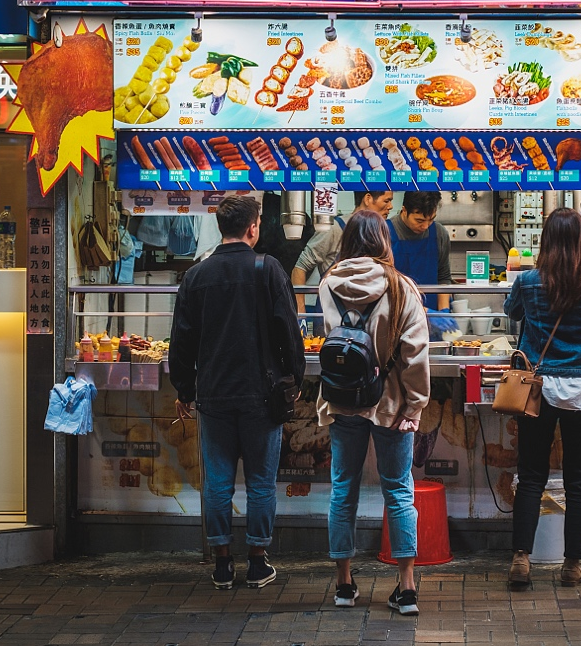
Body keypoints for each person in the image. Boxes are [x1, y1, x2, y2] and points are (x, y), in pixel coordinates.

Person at [169, 196, 305, 591]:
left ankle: (223, 565)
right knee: (261, 481)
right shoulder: (268, 268)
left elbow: (182, 341)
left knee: (218, 482)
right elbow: (289, 332)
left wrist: (184, 389)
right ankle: (258, 562)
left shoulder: (195, 276)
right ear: (253, 228)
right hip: (262, 395)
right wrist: (293, 379)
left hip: (213, 396)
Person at [504, 208, 581, 588]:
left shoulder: (527, 280)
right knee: (578, 481)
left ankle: (521, 559)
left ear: (545, 240)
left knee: (530, 477)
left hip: (537, 388)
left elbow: (512, 313)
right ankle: (572, 564)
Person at [317, 209, 431, 615]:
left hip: (343, 399)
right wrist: (415, 405)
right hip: (392, 403)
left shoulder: (328, 283)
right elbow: (415, 356)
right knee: (399, 491)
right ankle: (407, 590)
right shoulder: (401, 287)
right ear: (383, 240)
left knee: (342, 490)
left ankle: (344, 586)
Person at [292, 190, 394, 319]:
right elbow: (300, 268)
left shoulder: (380, 233)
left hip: (369, 316)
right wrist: (301, 313)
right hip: (333, 316)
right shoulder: (334, 228)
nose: (390, 206)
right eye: (386, 200)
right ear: (367, 199)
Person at [387, 190, 452, 311]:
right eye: (419, 221)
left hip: (431, 317)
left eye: (431, 219)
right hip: (396, 315)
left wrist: (443, 312)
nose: (426, 226)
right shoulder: (384, 233)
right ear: (404, 210)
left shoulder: (439, 233)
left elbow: (443, 277)